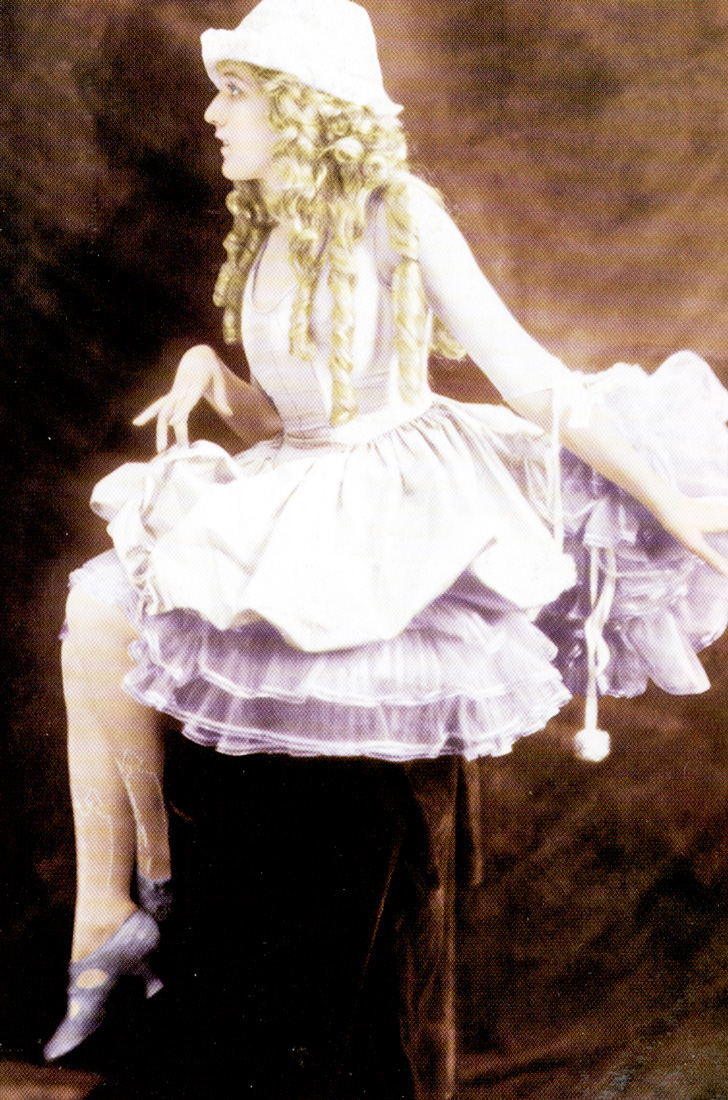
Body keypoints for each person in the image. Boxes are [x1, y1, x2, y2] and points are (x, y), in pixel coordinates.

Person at [44, 0, 728, 1095]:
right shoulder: (269, 226)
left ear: (302, 106)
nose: (214, 114)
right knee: (101, 605)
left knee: (325, 793)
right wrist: (207, 373)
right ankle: (122, 909)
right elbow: (288, 422)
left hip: (392, 490)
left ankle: (166, 924)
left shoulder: (396, 209)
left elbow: (527, 375)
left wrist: (665, 498)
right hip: (305, 475)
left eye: (237, 91)